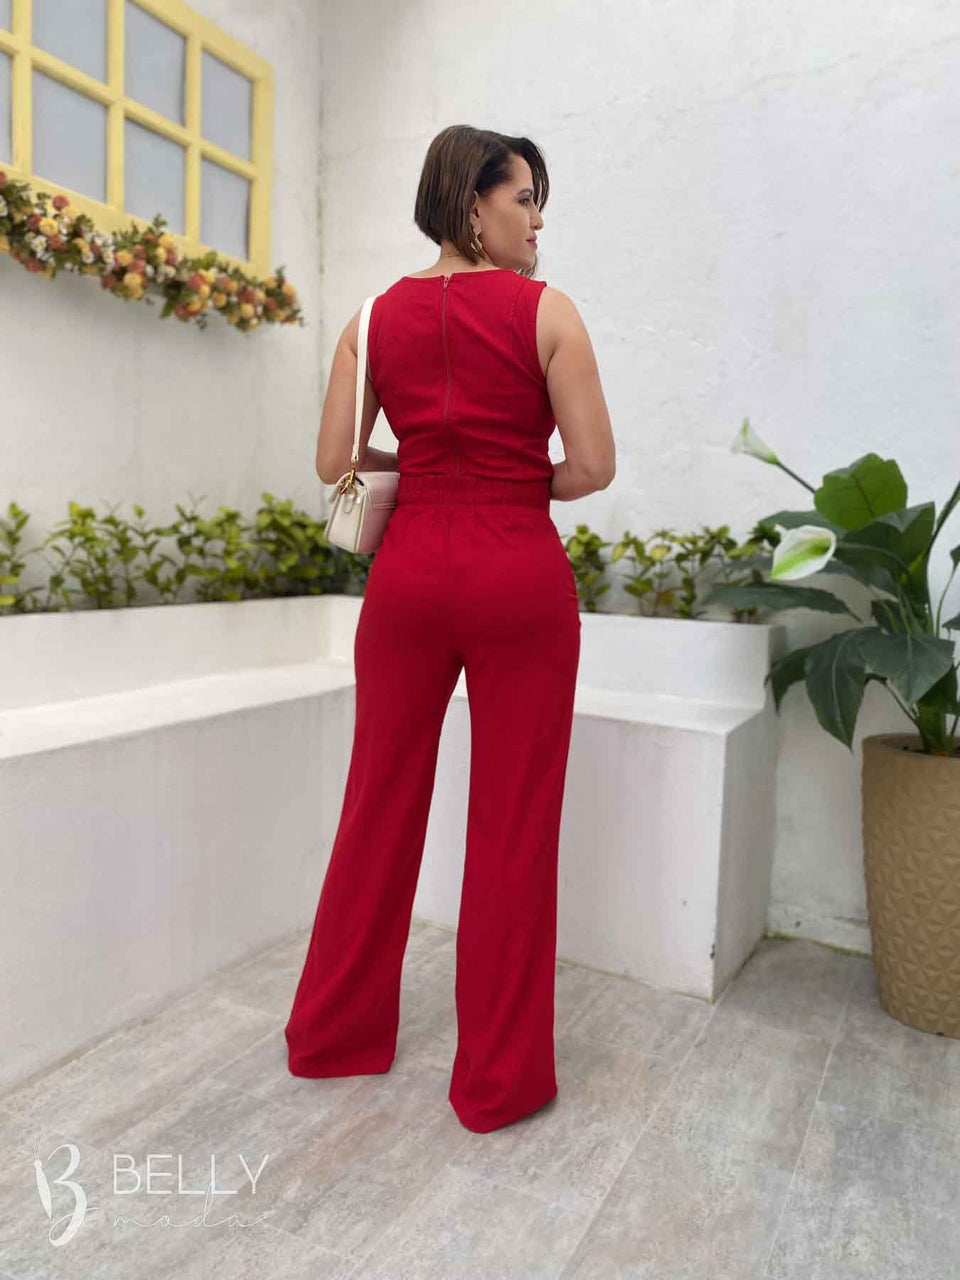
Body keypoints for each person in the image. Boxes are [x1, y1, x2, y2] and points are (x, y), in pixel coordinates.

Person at [284, 124, 616, 1134]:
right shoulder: (548, 313)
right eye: (525, 199)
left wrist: (428, 468)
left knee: (377, 801)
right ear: (474, 203)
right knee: (514, 824)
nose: (538, 220)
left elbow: (336, 460)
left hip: (409, 580)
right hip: (515, 572)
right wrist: (507, 477)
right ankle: (498, 1081)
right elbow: (592, 467)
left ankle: (333, 1036)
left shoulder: (371, 320)